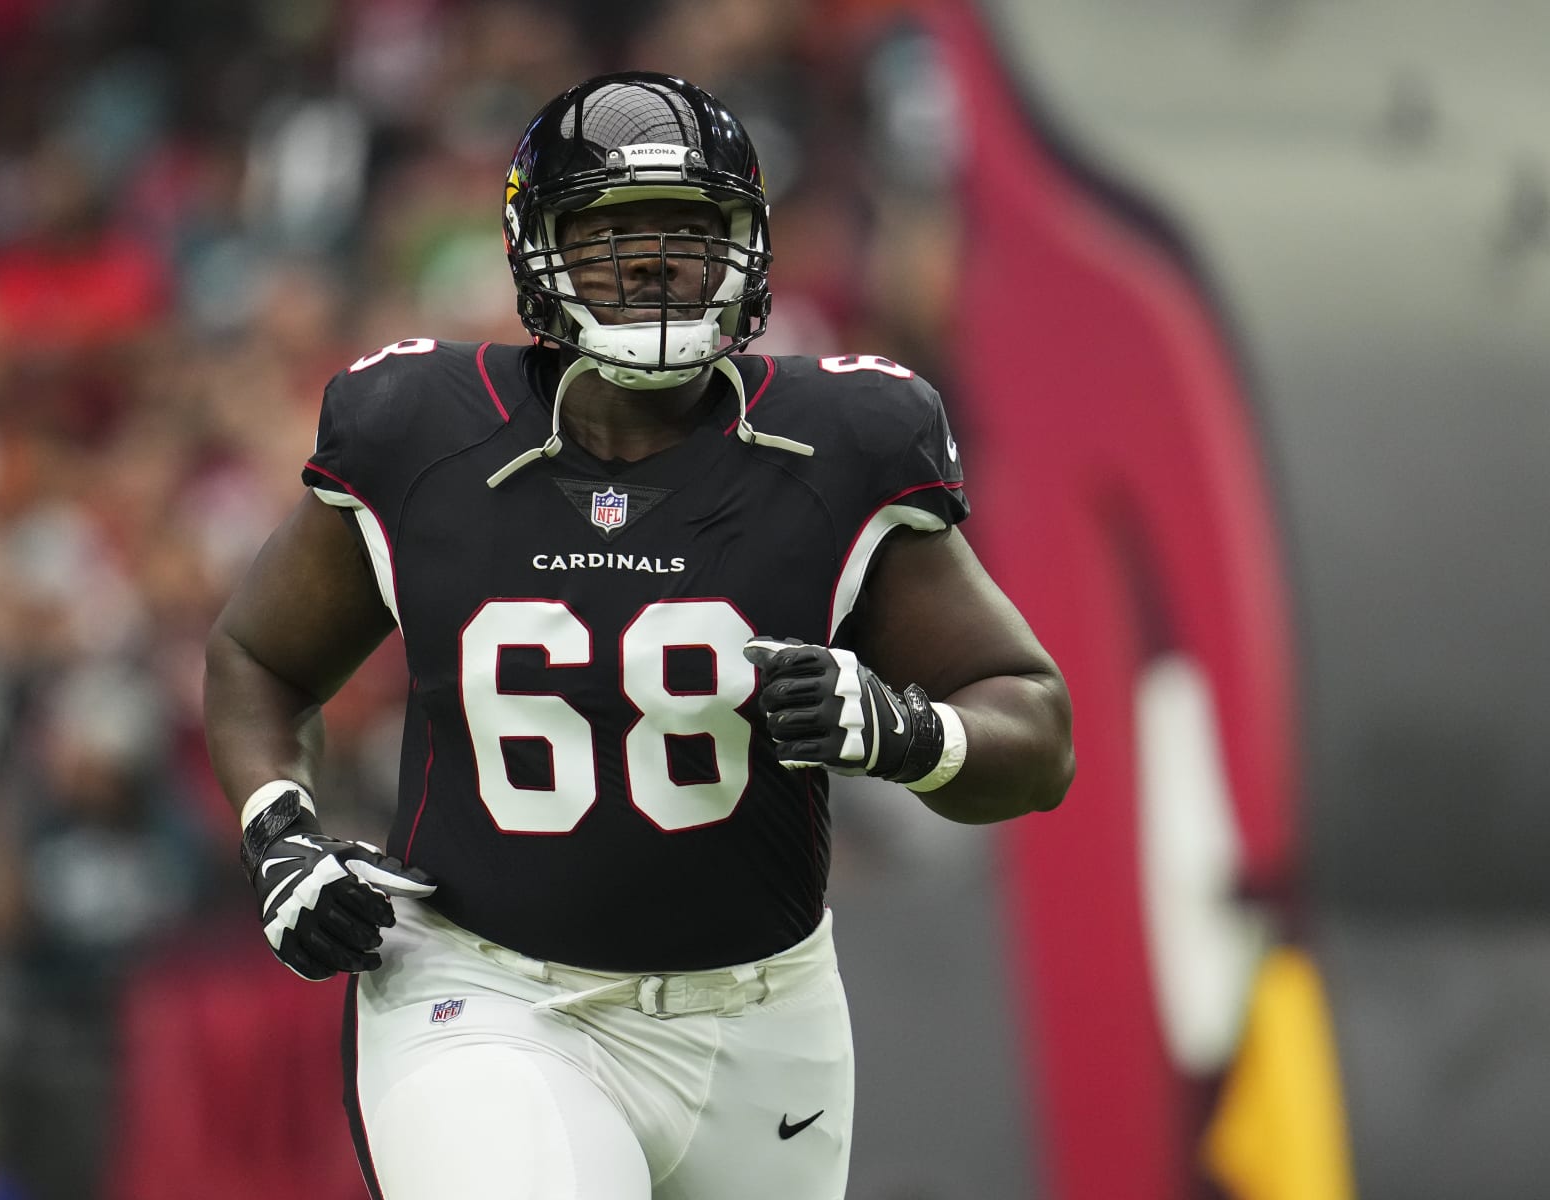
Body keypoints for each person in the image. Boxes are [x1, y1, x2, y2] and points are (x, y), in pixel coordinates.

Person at [204, 72, 1073, 1200]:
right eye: (615, 232)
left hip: (764, 1021)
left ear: (746, 246)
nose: (657, 261)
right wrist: (280, 835)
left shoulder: (843, 443)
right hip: (487, 995)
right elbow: (259, 659)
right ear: (539, 249)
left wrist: (898, 730)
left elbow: (1037, 734)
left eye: (691, 229)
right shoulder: (421, 431)